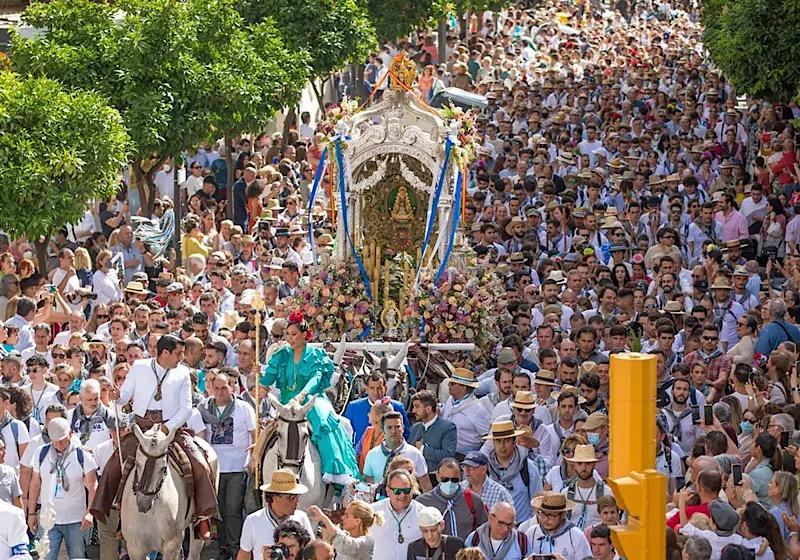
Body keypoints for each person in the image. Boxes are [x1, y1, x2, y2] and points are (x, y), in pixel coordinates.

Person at [90, 335, 218, 539]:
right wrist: (117, 396)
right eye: (178, 353)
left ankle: (203, 517)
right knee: (115, 464)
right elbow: (124, 397)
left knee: (198, 463)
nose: (181, 357)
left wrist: (168, 429)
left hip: (172, 429)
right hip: (142, 429)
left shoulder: (183, 372)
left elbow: (186, 409)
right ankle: (117, 514)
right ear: (164, 353)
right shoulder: (139, 367)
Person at [260, 311, 359, 486]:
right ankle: (256, 466)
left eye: (294, 334)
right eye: (288, 334)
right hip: (286, 403)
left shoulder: (315, 354)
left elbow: (316, 378)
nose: (290, 339)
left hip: (312, 399)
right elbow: (268, 378)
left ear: (304, 335)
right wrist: (260, 378)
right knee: (267, 433)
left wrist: (302, 395)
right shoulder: (281, 354)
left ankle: (335, 470)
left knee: (322, 420)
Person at [201, 369, 256, 559]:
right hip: (215, 468)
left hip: (237, 467)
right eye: (216, 388)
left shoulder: (244, 408)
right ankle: (223, 546)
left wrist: (253, 457)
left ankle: (235, 547)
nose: (220, 392)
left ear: (231, 386)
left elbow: (254, 432)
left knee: (233, 508)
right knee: (219, 509)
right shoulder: (204, 408)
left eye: (224, 388)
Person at [26, 417, 97, 560]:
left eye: (63, 439)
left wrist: (90, 512)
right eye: (55, 440)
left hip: (76, 520)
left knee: (78, 557)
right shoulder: (41, 453)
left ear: (70, 434)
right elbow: (35, 484)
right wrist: (32, 513)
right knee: (45, 557)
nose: (59, 444)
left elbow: (93, 485)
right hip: (49, 520)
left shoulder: (82, 455)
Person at [238, 469, 314, 560]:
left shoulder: (302, 518)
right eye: (291, 498)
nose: (296, 501)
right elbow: (244, 555)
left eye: (297, 497)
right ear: (275, 497)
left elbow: (312, 553)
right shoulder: (253, 521)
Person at [483, 420, 542, 524]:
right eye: (498, 441)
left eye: (506, 441)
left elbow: (537, 502)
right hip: (493, 529)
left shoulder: (528, 468)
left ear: (514, 442)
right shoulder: (485, 468)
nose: (502, 446)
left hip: (521, 527)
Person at [416, 457, 488, 540]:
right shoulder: (422, 502)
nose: (449, 483)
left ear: (460, 477)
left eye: (454, 480)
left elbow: (484, 531)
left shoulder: (474, 500)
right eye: (445, 479)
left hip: (466, 550)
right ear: (437, 476)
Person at [363, 411, 429, 490]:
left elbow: (426, 487)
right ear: (383, 431)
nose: (394, 431)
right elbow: (367, 485)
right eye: (389, 427)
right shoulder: (372, 454)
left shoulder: (415, 454)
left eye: (397, 427)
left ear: (403, 429)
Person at [371, 469, 426, 560]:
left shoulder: (423, 513)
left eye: (407, 490)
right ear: (388, 491)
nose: (402, 495)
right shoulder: (373, 511)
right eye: (397, 491)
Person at [344, 372, 411, 445]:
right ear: (366, 388)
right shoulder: (354, 407)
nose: (375, 392)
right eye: (372, 388)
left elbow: (406, 433)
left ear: (385, 388)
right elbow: (345, 432)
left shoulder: (397, 407)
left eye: (379, 388)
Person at [408, 390, 458, 484]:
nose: (413, 411)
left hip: (436, 480)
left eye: (417, 407)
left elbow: (448, 455)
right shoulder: (415, 428)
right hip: (415, 479)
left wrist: (423, 449)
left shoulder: (448, 427)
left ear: (428, 409)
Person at [307, 500, 383, 560]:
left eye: (347, 516)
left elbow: (344, 543)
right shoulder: (345, 534)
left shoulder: (367, 542)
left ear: (357, 521)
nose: (342, 517)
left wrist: (324, 518)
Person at [525, 492, 591, 559]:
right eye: (542, 513)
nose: (546, 519)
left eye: (552, 515)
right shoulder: (531, 532)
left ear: (563, 515)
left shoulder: (576, 535)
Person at [464, 501, 529, 560]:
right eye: (501, 523)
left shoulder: (522, 541)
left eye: (509, 525)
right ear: (490, 518)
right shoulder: (474, 539)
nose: (505, 529)